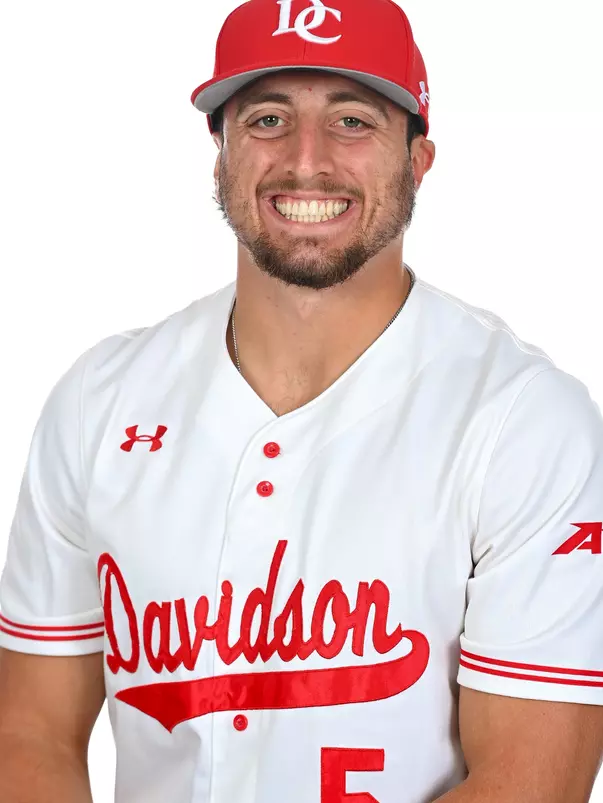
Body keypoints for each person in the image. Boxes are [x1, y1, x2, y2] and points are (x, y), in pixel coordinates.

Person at [1, 0, 603, 801]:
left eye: (353, 120)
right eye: (267, 118)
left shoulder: (522, 420)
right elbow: (30, 729)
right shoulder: (98, 402)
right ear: (219, 152)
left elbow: (533, 779)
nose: (305, 160)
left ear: (418, 159)